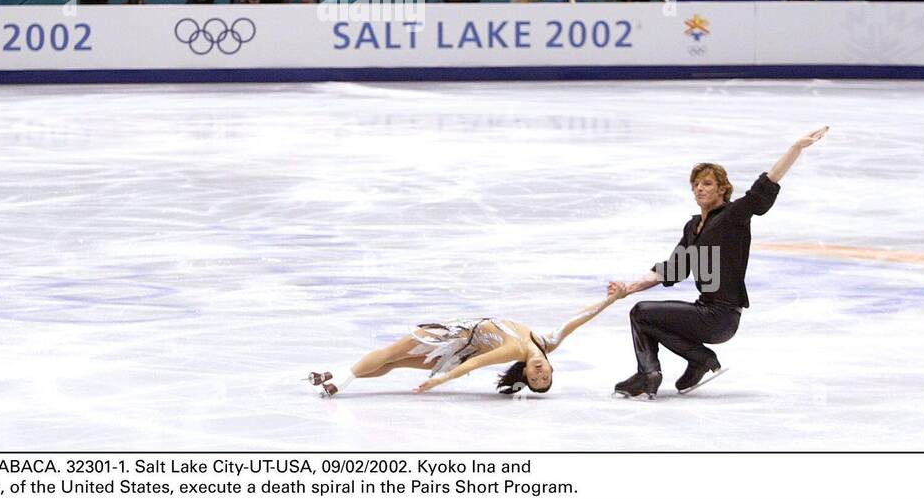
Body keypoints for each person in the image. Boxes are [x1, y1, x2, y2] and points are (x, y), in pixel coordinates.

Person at [607, 128, 829, 398]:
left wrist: (796, 147)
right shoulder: (693, 227)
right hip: (706, 311)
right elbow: (672, 269)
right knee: (644, 316)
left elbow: (766, 185)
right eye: (696, 184)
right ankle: (696, 360)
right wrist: (628, 289)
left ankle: (652, 373)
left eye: (707, 183)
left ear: (722, 189)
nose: (700, 188)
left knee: (642, 313)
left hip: (721, 316)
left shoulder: (733, 216)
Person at [308, 290, 622, 397]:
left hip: (454, 342)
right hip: (460, 343)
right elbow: (580, 317)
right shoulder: (547, 342)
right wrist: (614, 297)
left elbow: (475, 364)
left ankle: (339, 378)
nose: (540, 373)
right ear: (552, 368)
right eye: (546, 376)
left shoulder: (515, 349)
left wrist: (442, 378)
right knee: (392, 360)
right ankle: (335, 376)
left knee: (393, 356)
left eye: (535, 379)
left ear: (525, 372)